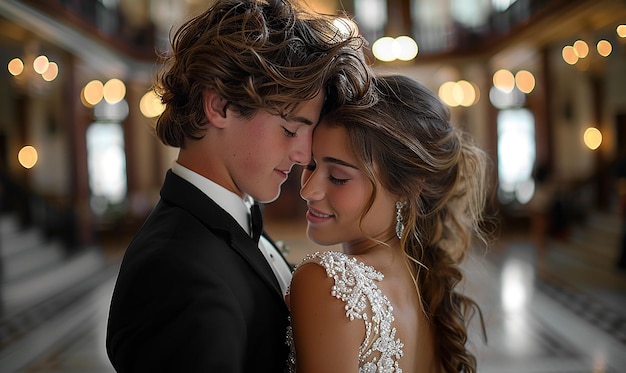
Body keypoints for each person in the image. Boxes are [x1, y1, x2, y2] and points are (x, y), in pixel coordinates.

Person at [106, 0, 373, 371]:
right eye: (290, 129)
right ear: (219, 106)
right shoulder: (174, 274)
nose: (302, 155)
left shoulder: (234, 221)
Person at [286, 74, 492, 372]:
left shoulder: (329, 282)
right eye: (311, 165)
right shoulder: (425, 282)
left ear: (407, 188)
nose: (308, 190)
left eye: (338, 177)